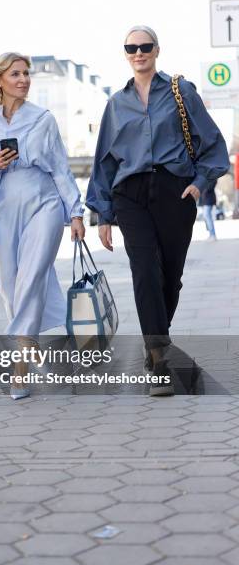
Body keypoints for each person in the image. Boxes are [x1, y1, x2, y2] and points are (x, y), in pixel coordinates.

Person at [86, 26, 230, 397]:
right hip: (129, 195)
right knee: (145, 269)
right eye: (131, 47)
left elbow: (212, 145)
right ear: (125, 53)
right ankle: (158, 358)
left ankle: (156, 343)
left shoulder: (182, 92)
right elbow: (104, 160)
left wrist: (199, 183)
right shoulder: (117, 103)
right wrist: (103, 213)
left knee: (171, 277)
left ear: (157, 50)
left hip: (173, 190)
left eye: (144, 46)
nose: (138, 52)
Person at [0, 52, 85, 400]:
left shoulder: (43, 119)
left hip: (44, 204)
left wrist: (75, 212)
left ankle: (18, 368)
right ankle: (30, 345)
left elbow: (59, 168)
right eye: (16, 74)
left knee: (31, 279)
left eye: (26, 73)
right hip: (0, 209)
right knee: (11, 285)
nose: (23, 79)